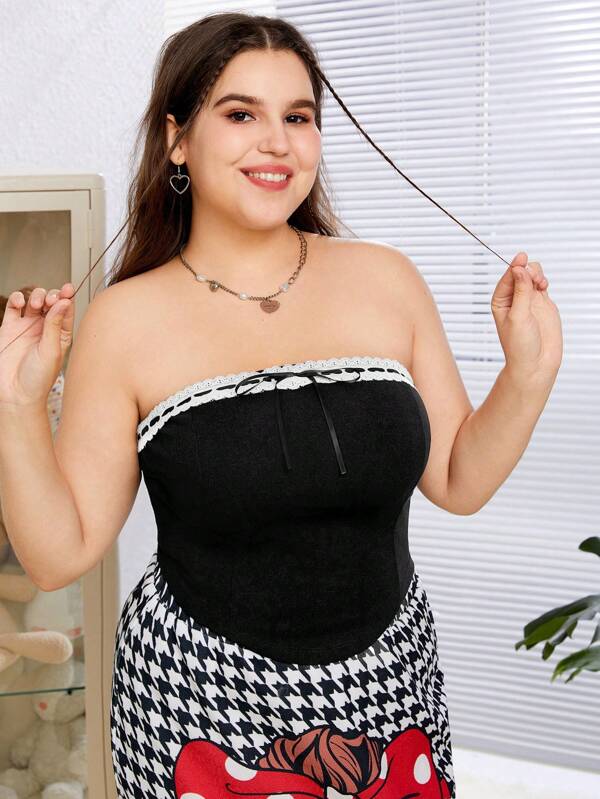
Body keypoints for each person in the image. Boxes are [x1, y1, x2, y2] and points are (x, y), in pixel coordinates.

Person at [0, 12, 562, 799]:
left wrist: (529, 372)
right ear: (177, 140)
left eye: (298, 117)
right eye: (241, 114)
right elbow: (60, 553)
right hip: (197, 707)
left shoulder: (387, 280)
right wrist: (16, 402)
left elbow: (459, 479)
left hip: (391, 691)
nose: (277, 143)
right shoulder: (125, 320)